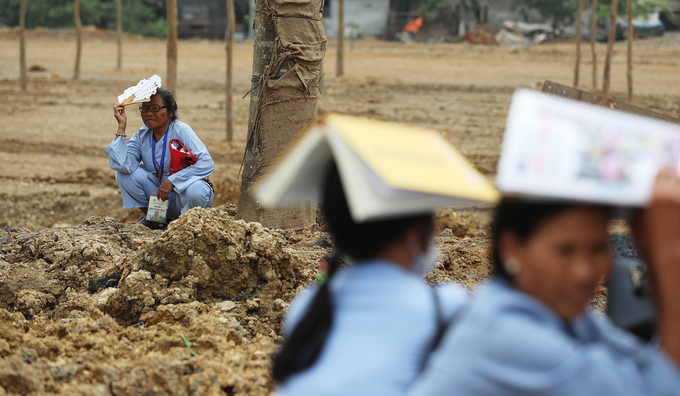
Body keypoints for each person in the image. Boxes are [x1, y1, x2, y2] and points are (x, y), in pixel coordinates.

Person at [409, 170, 680, 395]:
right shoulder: (509, 334)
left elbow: (646, 365)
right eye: (565, 250)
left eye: (598, 248)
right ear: (511, 248)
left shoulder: (560, 317)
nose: (583, 272)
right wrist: (668, 258)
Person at [273, 163, 468, 396]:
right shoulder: (446, 308)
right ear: (414, 234)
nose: (436, 229)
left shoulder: (307, 306)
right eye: (430, 219)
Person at [106, 88, 215, 229]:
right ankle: (155, 219)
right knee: (124, 175)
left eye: (155, 108)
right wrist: (121, 127)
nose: (149, 113)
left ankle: (186, 226)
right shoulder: (142, 135)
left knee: (197, 189)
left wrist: (172, 181)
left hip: (185, 197)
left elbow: (207, 163)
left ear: (170, 111)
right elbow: (122, 165)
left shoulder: (181, 130)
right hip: (159, 199)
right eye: (144, 109)